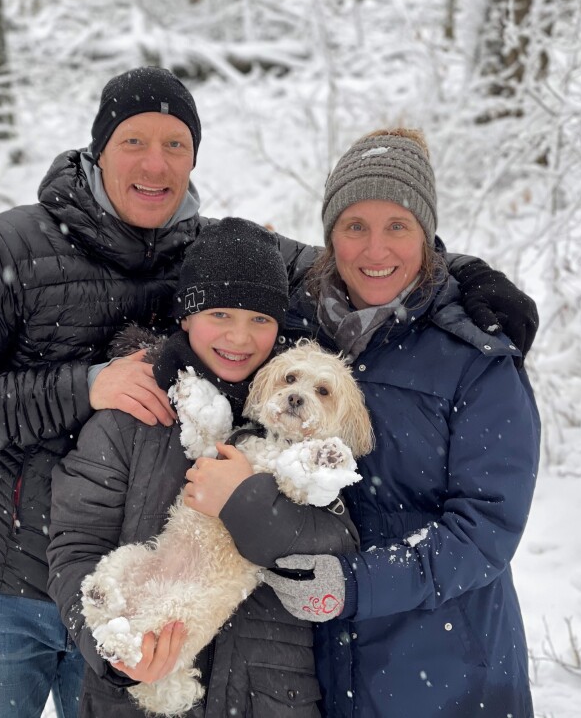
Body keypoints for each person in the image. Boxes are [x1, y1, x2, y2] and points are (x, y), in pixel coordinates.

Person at [0, 64, 537, 718]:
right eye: (134, 142)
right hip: (8, 578)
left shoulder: (207, 249)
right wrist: (86, 387)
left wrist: (464, 274)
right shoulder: (13, 244)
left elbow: (357, 254)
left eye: (175, 144)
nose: (155, 163)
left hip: (143, 583)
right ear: (98, 147)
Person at [248, 128, 543, 717]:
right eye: (355, 226)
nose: (375, 250)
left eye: (398, 226)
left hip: (446, 666)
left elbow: (485, 530)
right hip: (317, 667)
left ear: (427, 237)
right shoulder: (298, 326)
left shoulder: (477, 359)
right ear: (331, 235)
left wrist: (356, 584)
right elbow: (218, 257)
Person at [47, 217, 361, 716]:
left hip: (269, 696)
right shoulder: (131, 414)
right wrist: (114, 650)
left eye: (260, 319)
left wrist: (252, 506)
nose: (240, 337)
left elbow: (336, 547)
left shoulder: (311, 433)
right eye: (219, 313)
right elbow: (75, 547)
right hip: (134, 689)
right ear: (186, 317)